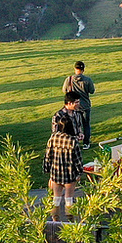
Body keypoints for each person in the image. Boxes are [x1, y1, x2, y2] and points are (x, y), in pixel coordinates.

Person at [46, 94, 86, 222]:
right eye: (76, 102)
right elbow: (77, 160)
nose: (78, 104)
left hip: (56, 171)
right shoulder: (72, 141)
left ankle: (55, 219)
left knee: (56, 197)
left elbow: (48, 155)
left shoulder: (53, 139)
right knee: (69, 197)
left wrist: (48, 170)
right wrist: (80, 172)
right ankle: (71, 219)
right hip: (69, 172)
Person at [63, 61, 97, 137]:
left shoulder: (69, 79)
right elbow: (92, 91)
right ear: (83, 70)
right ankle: (86, 143)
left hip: (73, 107)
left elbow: (64, 90)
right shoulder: (88, 80)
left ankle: (75, 141)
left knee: (74, 126)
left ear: (75, 69)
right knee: (86, 125)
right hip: (85, 105)